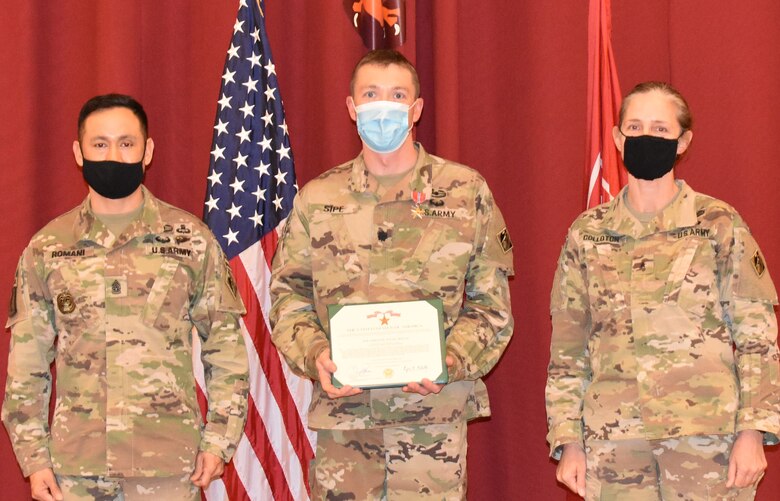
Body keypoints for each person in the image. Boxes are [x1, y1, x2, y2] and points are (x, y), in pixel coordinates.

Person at [270, 49, 514, 499]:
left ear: (416, 108)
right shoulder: (318, 198)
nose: (383, 107)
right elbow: (288, 296)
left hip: (430, 427)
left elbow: (491, 307)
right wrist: (315, 353)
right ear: (352, 107)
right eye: (371, 95)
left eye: (397, 95)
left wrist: (450, 360)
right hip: (345, 426)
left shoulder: (465, 192)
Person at [3, 94, 249, 501]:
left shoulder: (191, 241)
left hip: (168, 467)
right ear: (79, 153)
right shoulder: (47, 247)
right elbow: (26, 366)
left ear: (147, 150)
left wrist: (218, 439)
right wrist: (34, 457)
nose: (113, 155)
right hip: (76, 470)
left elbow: (226, 352)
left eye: (126, 143)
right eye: (100, 144)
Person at [546, 81, 780, 500]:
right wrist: (569, 440)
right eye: (633, 128)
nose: (645, 138)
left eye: (659, 128)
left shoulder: (718, 223)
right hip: (615, 442)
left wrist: (753, 431)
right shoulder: (588, 233)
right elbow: (568, 350)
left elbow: (757, 337)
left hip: (707, 439)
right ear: (617, 139)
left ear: (682, 141)